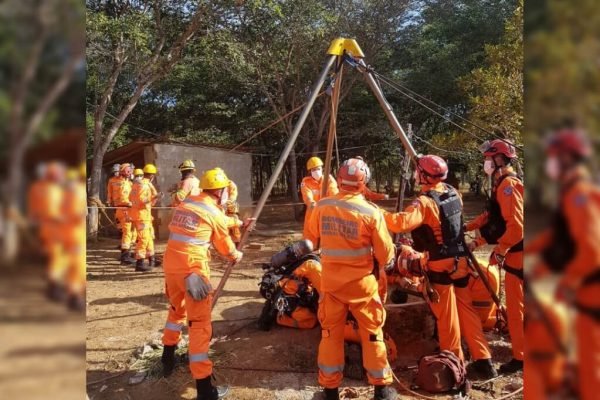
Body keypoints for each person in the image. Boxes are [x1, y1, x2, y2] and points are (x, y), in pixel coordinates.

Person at [383, 154, 496, 379]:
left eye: (418, 171)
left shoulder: (424, 203)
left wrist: (374, 213)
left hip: (440, 264)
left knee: (446, 316)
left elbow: (400, 223)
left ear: (424, 175)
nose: (416, 174)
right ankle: (484, 360)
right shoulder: (454, 193)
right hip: (460, 261)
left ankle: (454, 364)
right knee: (467, 310)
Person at [305, 157, 397, 400]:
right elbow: (385, 254)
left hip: (332, 285)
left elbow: (311, 240)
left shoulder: (322, 206)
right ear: (363, 181)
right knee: (372, 334)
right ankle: (382, 390)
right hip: (362, 287)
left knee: (329, 335)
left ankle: (330, 391)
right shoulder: (371, 213)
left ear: (339, 178)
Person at [526, 128, 600, 400]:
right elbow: (559, 236)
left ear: (568, 158)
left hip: (592, 293)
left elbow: (592, 251)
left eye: (554, 156)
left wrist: (567, 283)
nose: (550, 163)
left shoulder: (579, 195)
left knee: (591, 365)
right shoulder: (573, 193)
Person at [160, 168, 243, 400]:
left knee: (176, 312)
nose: (227, 192)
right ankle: (206, 390)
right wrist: (236, 255)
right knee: (199, 325)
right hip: (193, 272)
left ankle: (167, 358)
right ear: (219, 191)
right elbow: (225, 246)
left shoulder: (190, 202)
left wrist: (239, 221)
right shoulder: (213, 212)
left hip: (171, 265)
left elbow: (217, 220)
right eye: (225, 189)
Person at [465, 139, 524, 374]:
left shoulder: (508, 185)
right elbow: (492, 218)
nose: (485, 163)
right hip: (516, 254)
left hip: (519, 255)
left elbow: (516, 227)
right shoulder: (500, 184)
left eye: (488, 159)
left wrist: (499, 252)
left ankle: (521, 358)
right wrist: (468, 229)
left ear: (499, 160)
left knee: (517, 309)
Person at [29, 161, 67, 301]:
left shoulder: (46, 188)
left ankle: (55, 285)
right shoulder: (48, 189)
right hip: (52, 228)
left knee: (54, 257)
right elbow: (51, 211)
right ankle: (54, 288)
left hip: (51, 228)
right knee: (56, 257)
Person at [61, 165, 87, 311]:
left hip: (68, 234)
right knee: (77, 266)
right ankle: (74, 297)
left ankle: (73, 294)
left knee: (72, 265)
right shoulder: (76, 194)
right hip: (74, 234)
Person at [130, 165, 160, 272]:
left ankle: (151, 258)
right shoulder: (144, 185)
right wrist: (154, 197)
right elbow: (141, 200)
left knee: (148, 237)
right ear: (152, 175)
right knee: (143, 239)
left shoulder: (137, 184)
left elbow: (131, 198)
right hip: (142, 216)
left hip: (144, 215)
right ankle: (140, 262)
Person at [301, 156, 338, 238]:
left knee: (328, 238)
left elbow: (334, 192)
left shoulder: (329, 179)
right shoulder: (306, 182)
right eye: (313, 170)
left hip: (328, 213)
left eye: (318, 169)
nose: (316, 171)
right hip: (312, 213)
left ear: (322, 169)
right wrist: (311, 203)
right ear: (310, 172)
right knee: (310, 239)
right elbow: (307, 195)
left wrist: (334, 202)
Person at [112, 163, 137, 265]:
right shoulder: (123, 184)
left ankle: (127, 253)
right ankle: (124, 257)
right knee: (127, 233)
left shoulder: (127, 182)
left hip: (126, 210)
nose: (130, 173)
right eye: (129, 171)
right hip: (125, 210)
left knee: (130, 232)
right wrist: (131, 203)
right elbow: (123, 198)